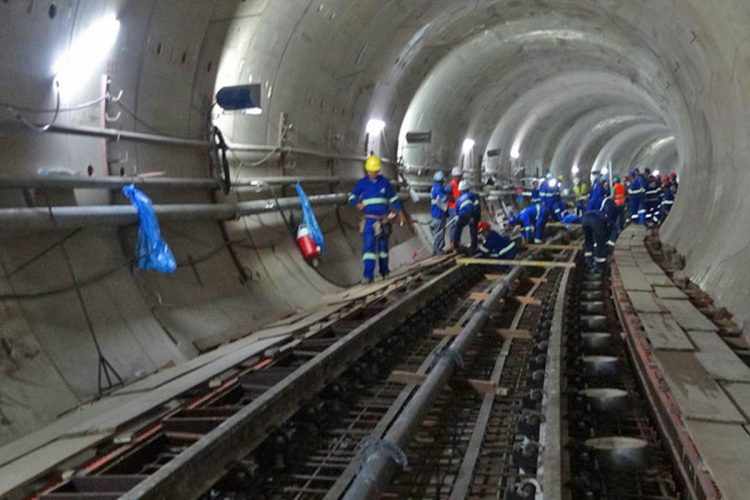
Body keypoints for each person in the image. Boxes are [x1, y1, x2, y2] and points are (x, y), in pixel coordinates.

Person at [349, 155, 402, 283]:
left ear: (378, 170)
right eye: (370, 171)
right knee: (368, 248)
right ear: (367, 170)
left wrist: (395, 213)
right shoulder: (362, 184)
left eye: (374, 171)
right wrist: (357, 203)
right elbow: (351, 197)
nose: (372, 173)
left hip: (383, 221)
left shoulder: (385, 183)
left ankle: (384, 272)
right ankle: (368, 275)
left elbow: (394, 200)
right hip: (369, 221)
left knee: (383, 249)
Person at [582, 192, 618, 271]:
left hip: (585, 220)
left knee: (589, 241)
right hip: (596, 220)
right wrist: (610, 245)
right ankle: (599, 266)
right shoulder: (610, 203)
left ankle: (589, 262)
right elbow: (611, 222)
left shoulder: (595, 200)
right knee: (600, 243)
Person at [452, 180, 480, 254]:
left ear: (460, 190)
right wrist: (476, 217)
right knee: (473, 230)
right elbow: (477, 206)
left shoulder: (458, 199)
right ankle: (474, 246)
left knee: (458, 228)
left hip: (462, 215)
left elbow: (457, 211)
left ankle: (455, 245)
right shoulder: (473, 196)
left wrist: (457, 217)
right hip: (472, 214)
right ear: (468, 188)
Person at [534, 173, 559, 243]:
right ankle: (538, 238)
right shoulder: (544, 185)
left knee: (554, 220)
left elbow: (555, 197)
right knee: (541, 221)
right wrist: (544, 204)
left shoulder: (552, 186)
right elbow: (543, 196)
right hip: (545, 206)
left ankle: (552, 234)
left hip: (550, 206)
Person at [430, 170, 450, 255]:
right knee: (440, 232)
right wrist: (448, 194)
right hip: (439, 214)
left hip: (435, 213)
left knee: (437, 232)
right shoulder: (439, 188)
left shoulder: (434, 187)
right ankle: (438, 250)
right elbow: (443, 198)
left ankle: (436, 249)